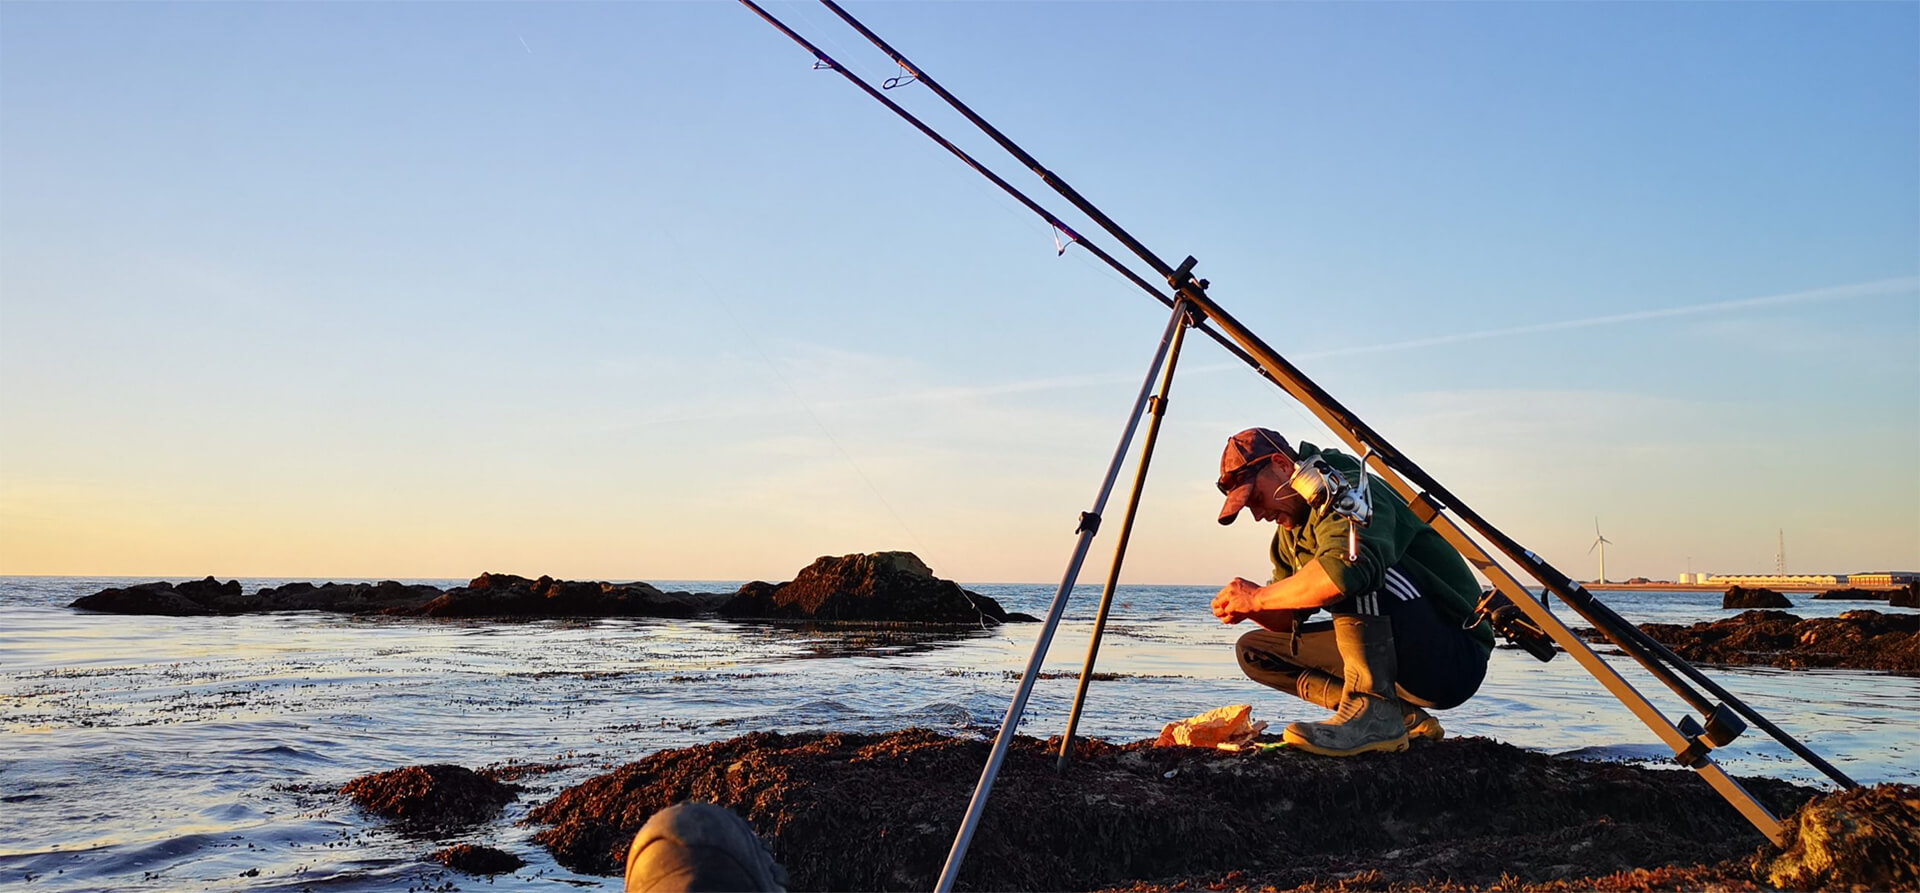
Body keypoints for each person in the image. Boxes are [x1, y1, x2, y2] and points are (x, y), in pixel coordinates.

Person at [1211, 427, 1493, 757]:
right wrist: (1250, 608)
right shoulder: (1290, 532)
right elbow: (1291, 618)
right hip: (1399, 657)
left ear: (1282, 464)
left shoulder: (1351, 489)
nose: (1258, 515)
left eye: (1256, 498)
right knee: (1254, 651)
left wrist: (1258, 596)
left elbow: (1344, 573)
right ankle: (1397, 716)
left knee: (1352, 561)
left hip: (1451, 656)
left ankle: (1371, 711)